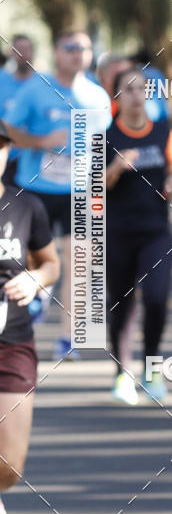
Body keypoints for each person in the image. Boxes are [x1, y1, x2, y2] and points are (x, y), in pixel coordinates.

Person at [4, 30, 110, 359]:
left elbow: (101, 146)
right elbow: (7, 131)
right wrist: (42, 141)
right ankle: (38, 291)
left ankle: (68, 337)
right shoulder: (36, 89)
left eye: (85, 47)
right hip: (35, 188)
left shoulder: (98, 97)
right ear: (56, 52)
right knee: (35, 258)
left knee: (80, 261)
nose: (78, 53)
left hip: (79, 190)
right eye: (70, 47)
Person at [105, 67, 172, 406]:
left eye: (142, 88)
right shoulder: (106, 136)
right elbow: (94, 188)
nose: (137, 95)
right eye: (129, 89)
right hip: (118, 232)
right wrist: (116, 168)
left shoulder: (164, 130)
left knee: (155, 298)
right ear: (117, 96)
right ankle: (122, 373)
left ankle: (151, 368)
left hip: (155, 232)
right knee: (121, 304)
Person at [0, 120, 60, 514]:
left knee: (10, 466)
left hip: (12, 343)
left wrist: (36, 279)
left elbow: (51, 262)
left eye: (1, 147)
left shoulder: (25, 206)